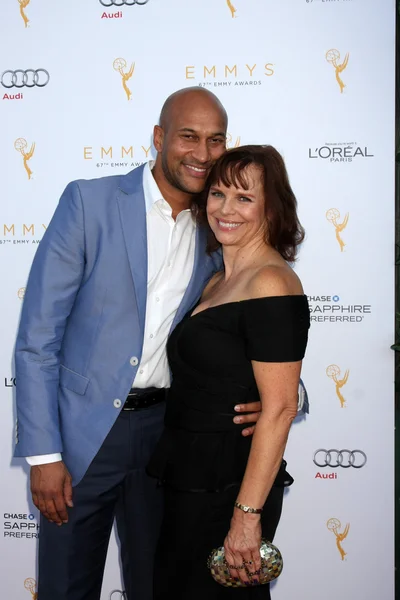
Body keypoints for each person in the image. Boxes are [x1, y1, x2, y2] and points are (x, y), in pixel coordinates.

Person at [13, 88, 266, 600]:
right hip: (82, 437)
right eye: (188, 136)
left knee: (160, 585)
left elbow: (254, 316)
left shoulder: (221, 226)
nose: (202, 152)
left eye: (215, 140)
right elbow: (38, 337)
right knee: (66, 586)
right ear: (159, 137)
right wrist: (44, 455)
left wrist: (284, 395)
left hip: (168, 436)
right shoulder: (90, 201)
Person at [148, 145, 310, 599]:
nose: (225, 209)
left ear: (270, 207)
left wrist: (246, 515)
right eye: (217, 193)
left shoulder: (272, 281)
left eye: (244, 197)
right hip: (190, 474)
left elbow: (279, 408)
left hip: (231, 487)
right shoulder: (217, 277)